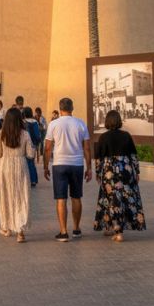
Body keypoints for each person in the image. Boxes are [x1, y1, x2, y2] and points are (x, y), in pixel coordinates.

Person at [43, 97, 91, 242]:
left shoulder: (53, 124)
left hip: (59, 164)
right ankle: (76, 229)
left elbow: (47, 148)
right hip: (77, 164)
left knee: (61, 198)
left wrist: (45, 167)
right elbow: (87, 148)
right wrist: (89, 168)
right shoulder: (81, 123)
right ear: (72, 108)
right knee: (76, 197)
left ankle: (63, 232)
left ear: (60, 108)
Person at [93, 110, 146, 242]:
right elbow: (133, 156)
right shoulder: (126, 135)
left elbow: (99, 158)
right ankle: (115, 228)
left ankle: (118, 231)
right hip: (125, 170)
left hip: (109, 172)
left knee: (112, 200)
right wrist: (137, 172)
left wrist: (98, 173)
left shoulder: (103, 137)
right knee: (125, 199)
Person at [0, 107, 34, 243]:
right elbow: (30, 154)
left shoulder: (0, 134)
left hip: (5, 167)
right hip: (21, 167)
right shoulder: (25, 134)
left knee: (6, 196)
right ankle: (20, 232)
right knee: (21, 197)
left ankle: (7, 227)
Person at [22, 106, 41, 187]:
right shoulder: (35, 122)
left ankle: (28, 179)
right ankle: (34, 180)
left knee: (26, 163)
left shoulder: (23, 122)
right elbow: (37, 135)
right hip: (34, 144)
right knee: (32, 162)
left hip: (25, 144)